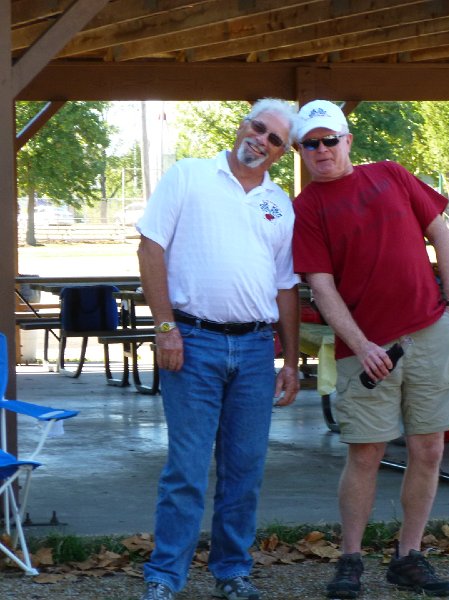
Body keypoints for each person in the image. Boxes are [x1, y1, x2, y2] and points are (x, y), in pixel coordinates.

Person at [291, 100, 449, 599]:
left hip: (431, 331)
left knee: (429, 447)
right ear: (300, 150)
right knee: (366, 451)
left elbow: (442, 234)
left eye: (330, 140)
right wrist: (361, 343)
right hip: (366, 348)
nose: (322, 150)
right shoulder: (305, 208)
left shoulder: (391, 174)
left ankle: (408, 556)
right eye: (311, 143)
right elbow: (321, 287)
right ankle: (350, 558)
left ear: (348, 141)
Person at [136, 98, 301, 600]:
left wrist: (290, 359)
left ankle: (232, 571)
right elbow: (150, 248)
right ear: (242, 124)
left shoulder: (280, 204)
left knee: (244, 469)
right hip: (193, 341)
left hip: (254, 350)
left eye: (275, 139)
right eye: (259, 127)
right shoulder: (189, 175)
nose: (262, 141)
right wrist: (165, 327)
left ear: (281, 153)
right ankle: (165, 575)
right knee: (186, 468)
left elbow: (286, 286)